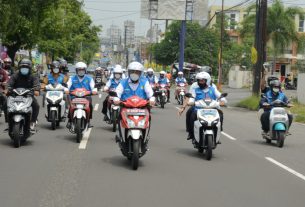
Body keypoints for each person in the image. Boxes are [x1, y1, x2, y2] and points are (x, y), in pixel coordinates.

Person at [187, 72, 227, 140]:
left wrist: (222, 101)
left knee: (220, 114)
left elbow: (221, 97)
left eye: (202, 81)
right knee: (192, 116)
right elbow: (192, 98)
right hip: (198, 110)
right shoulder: (195, 90)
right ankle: (191, 133)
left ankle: (219, 130)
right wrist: (190, 102)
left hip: (213, 109)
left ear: (207, 80)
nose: (200, 82)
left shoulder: (213, 89)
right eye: (199, 80)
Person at [5, 59, 40, 132]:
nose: (24, 69)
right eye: (22, 67)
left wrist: (36, 90)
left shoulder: (33, 76)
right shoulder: (15, 75)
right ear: (19, 68)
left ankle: (32, 122)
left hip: (28, 95)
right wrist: (7, 89)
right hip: (15, 95)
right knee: (5, 104)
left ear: (29, 68)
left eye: (26, 67)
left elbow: (36, 85)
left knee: (36, 105)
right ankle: (8, 122)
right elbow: (9, 84)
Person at [66, 62, 97, 127]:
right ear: (76, 71)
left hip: (86, 96)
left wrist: (94, 90)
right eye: (79, 70)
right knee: (71, 106)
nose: (81, 71)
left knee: (90, 106)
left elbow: (93, 87)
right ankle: (70, 120)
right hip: (74, 96)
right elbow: (67, 85)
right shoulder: (72, 78)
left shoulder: (89, 79)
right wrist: (66, 89)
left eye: (82, 70)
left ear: (85, 70)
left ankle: (88, 121)